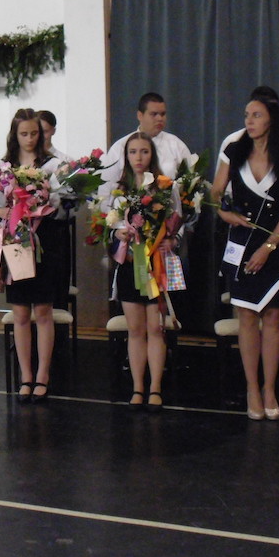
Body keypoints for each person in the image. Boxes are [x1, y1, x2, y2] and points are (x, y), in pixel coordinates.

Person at [211, 94, 279, 421]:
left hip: (276, 247)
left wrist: (269, 247)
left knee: (273, 318)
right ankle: (252, 387)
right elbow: (215, 193)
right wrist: (225, 213)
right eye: (246, 114)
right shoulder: (234, 151)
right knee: (247, 317)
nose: (248, 121)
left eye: (256, 115)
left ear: (271, 119)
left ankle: (269, 389)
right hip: (240, 245)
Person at [0, 108, 64, 403]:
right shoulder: (5, 167)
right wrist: (4, 209)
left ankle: (43, 375)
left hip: (45, 241)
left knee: (44, 311)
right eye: (23, 133)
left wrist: (46, 203)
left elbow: (62, 205)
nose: (29, 139)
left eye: (34, 133)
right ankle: (25, 375)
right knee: (21, 312)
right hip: (16, 241)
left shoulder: (52, 165)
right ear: (15, 134)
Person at [105, 132, 173, 410]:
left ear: (152, 155)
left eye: (144, 151)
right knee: (135, 330)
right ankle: (137, 387)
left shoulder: (164, 188)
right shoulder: (118, 192)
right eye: (133, 152)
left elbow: (176, 225)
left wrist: (171, 240)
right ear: (126, 155)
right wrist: (116, 234)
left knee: (155, 328)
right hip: (129, 265)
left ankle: (155, 387)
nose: (138, 157)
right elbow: (107, 227)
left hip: (153, 266)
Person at [101, 92, 192, 186]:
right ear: (140, 115)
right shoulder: (120, 146)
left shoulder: (176, 145)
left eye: (162, 114)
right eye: (154, 114)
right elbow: (106, 187)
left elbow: (191, 181)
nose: (160, 118)